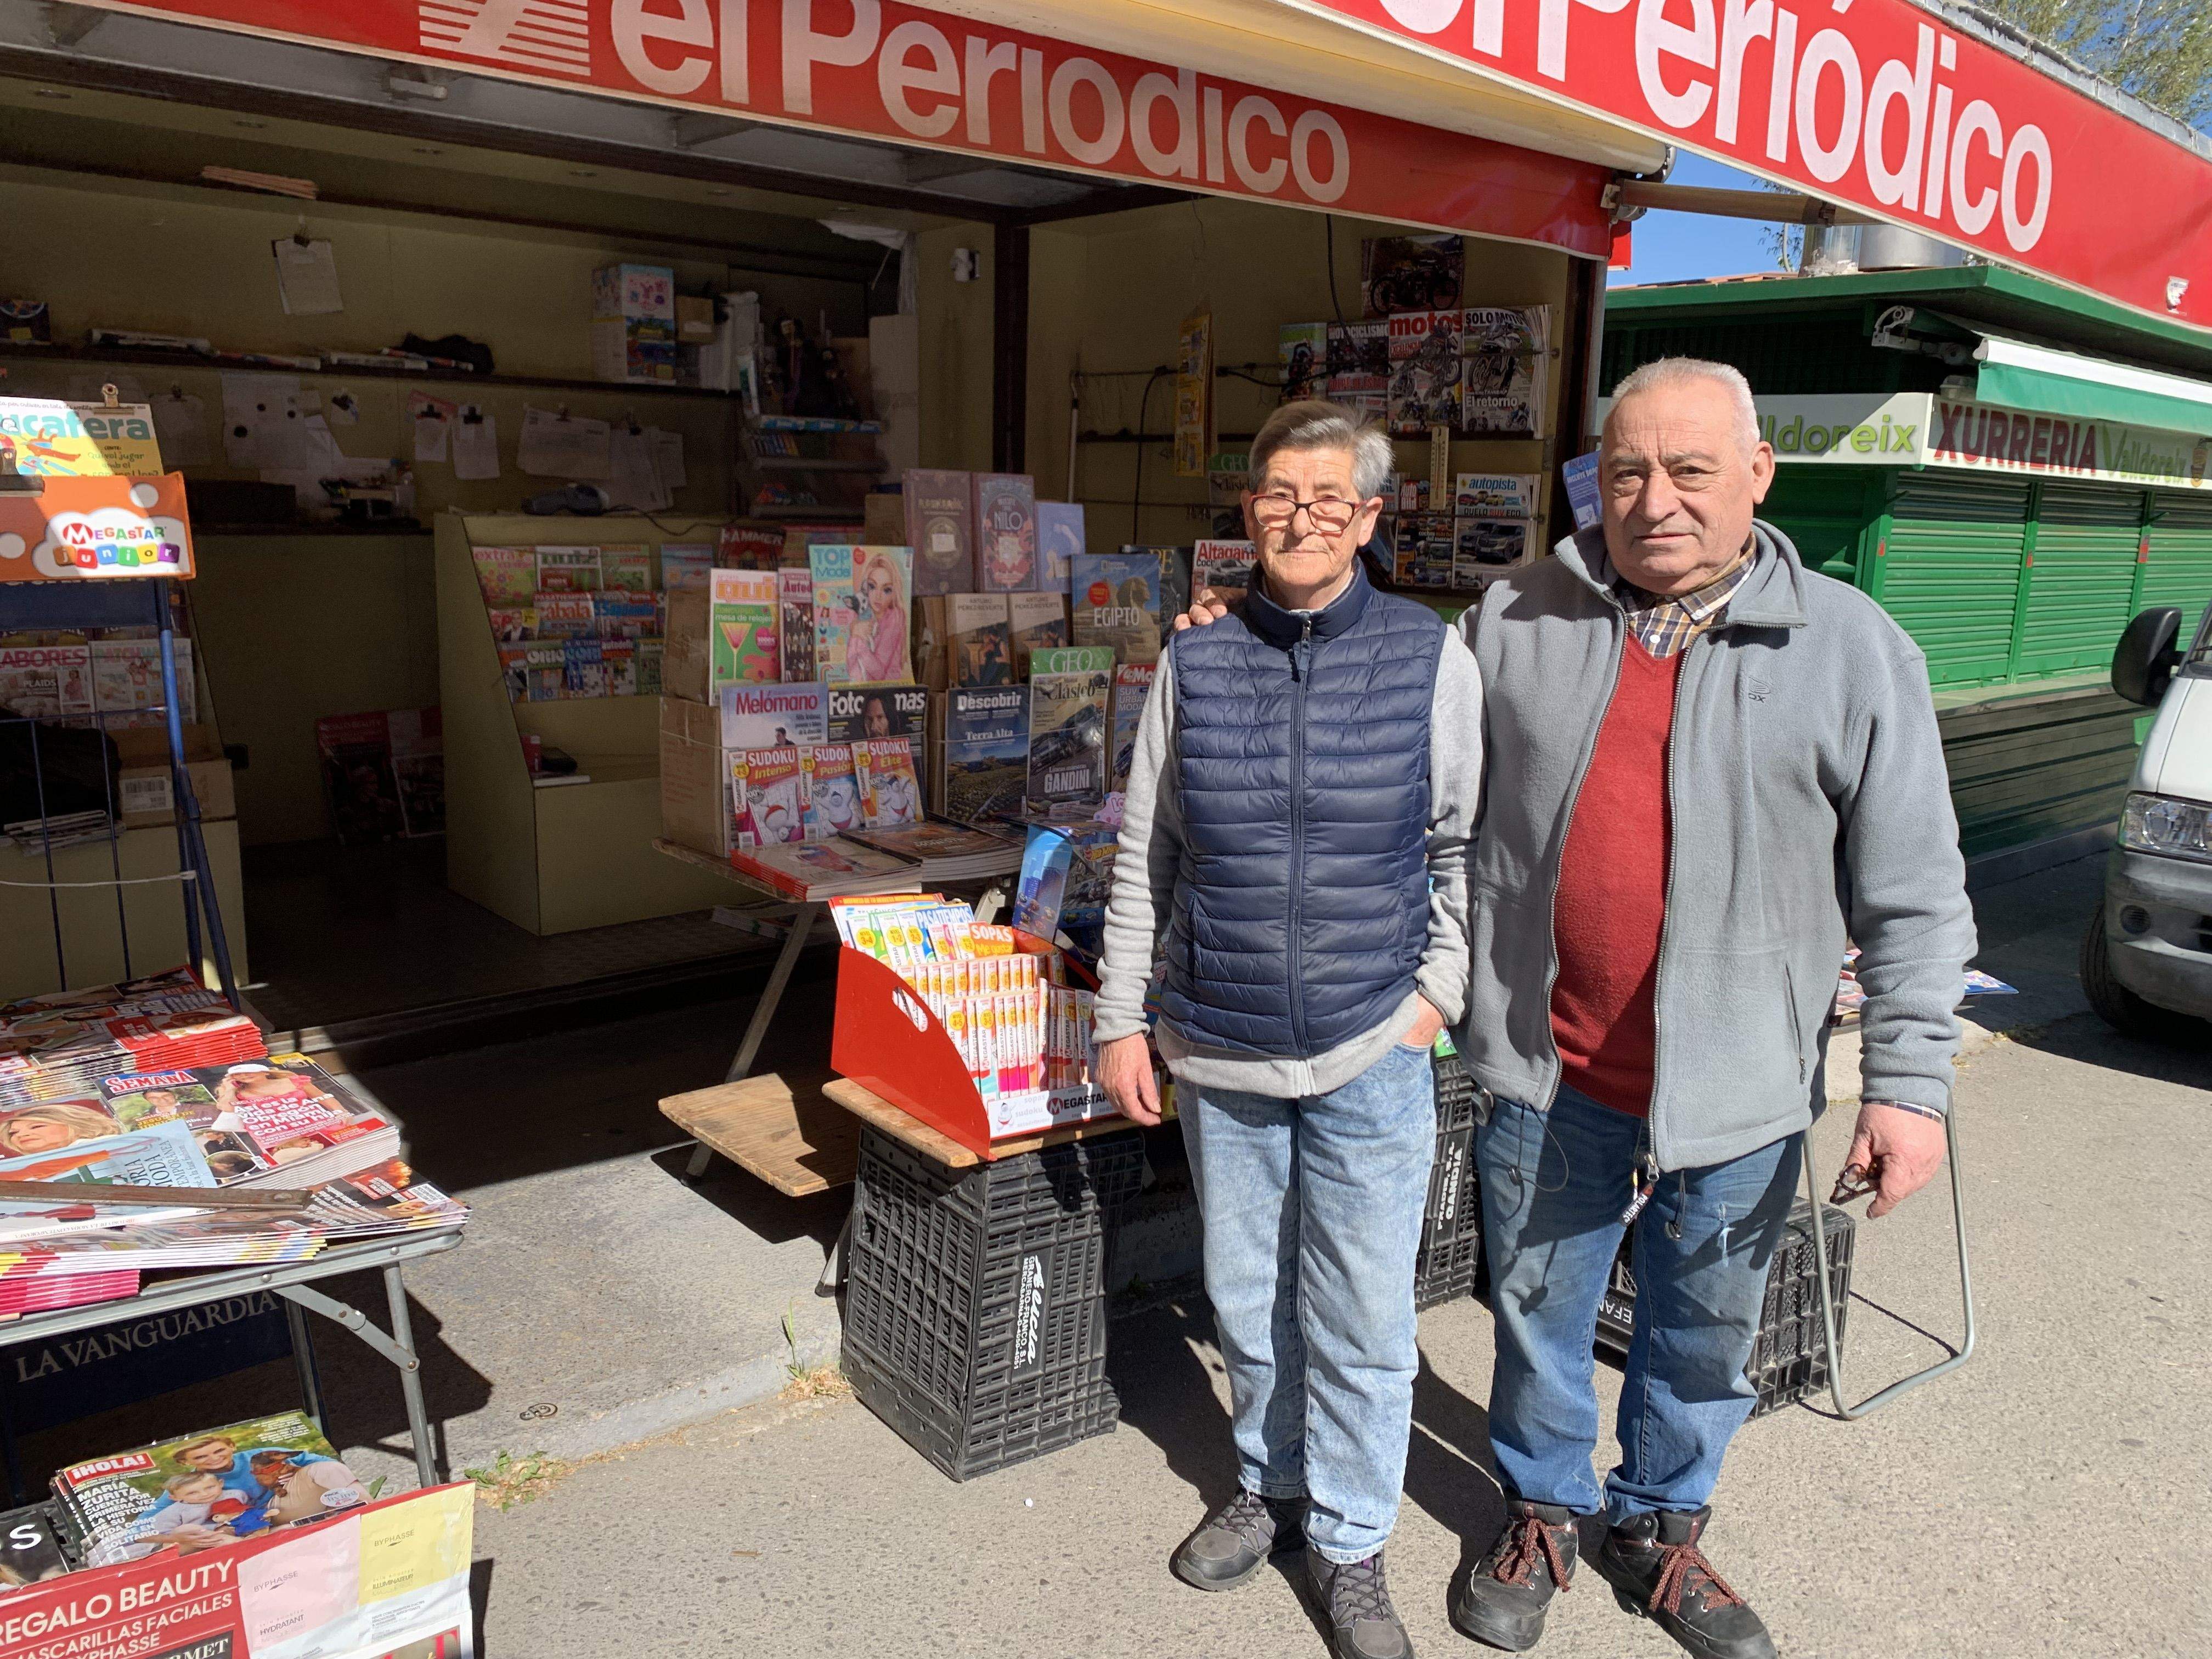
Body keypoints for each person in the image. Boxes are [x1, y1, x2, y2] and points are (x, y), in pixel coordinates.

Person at [1181, 358, 1974, 1659]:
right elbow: (1381, 712)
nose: (1654, 499)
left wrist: (1909, 1082)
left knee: (1704, 1328)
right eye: (1626, 472)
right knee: (1543, 1311)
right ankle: (1545, 1508)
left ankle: (1661, 1530)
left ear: (1758, 475)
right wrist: (1248, 644)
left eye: (1690, 470)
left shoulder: (1852, 649)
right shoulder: (1513, 617)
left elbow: (1918, 891)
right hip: (1553, 1065)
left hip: (1742, 1078)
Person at [1095, 399, 1483, 1659]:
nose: (1300, 520)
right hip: (1219, 1039)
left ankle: (1356, 1542)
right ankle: (1270, 1487)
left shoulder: (1432, 658)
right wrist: (1122, 1020)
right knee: (1247, 1295)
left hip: (1375, 1039)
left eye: (1330, 500)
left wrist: (1439, 994)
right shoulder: (1195, 661)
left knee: (1366, 1313)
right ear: (1248, 507)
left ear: (1371, 518)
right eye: (1277, 495)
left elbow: (1466, 848)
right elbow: (1144, 856)